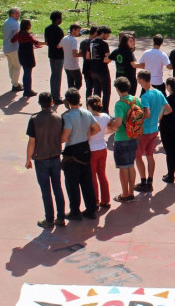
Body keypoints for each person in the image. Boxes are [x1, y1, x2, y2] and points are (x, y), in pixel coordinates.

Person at [25, 92, 65, 227]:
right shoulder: (58, 118)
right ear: (52, 102)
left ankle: (49, 219)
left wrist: (28, 159)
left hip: (40, 159)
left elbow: (32, 142)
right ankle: (61, 217)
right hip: (55, 156)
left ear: (39, 103)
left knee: (46, 191)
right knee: (57, 188)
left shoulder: (34, 119)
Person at [60, 88, 99, 220]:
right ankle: (91, 209)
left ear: (68, 101)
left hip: (73, 152)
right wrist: (87, 135)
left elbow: (65, 137)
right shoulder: (86, 113)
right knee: (87, 182)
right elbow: (97, 128)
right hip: (85, 149)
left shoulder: (67, 116)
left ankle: (75, 211)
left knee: (72, 184)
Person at [135, 70, 170, 192]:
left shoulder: (144, 96)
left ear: (142, 79)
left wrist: (136, 118)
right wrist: (159, 116)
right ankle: (150, 182)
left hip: (144, 131)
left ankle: (143, 181)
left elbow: (147, 114)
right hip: (154, 130)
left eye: (138, 79)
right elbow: (168, 109)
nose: (138, 82)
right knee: (150, 156)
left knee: (138, 156)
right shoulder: (159, 93)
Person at [108, 76, 141, 202]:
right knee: (131, 165)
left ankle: (125, 194)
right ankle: (131, 192)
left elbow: (118, 122)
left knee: (123, 167)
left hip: (122, 138)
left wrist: (110, 124)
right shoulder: (136, 99)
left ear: (117, 89)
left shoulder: (120, 104)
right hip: (134, 136)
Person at [86, 95, 111, 209]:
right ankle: (105, 200)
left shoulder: (88, 118)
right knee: (102, 174)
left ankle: (95, 201)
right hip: (102, 148)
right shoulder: (105, 116)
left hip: (91, 150)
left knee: (92, 177)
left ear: (89, 106)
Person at [159, 77, 175, 183]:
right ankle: (171, 173)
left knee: (169, 151)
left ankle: (170, 175)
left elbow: (160, 115)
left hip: (166, 126)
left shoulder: (167, 100)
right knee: (173, 150)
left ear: (169, 86)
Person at [11, 19, 43, 98]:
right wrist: (46, 43)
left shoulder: (19, 34)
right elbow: (36, 42)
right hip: (28, 55)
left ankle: (26, 89)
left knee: (26, 72)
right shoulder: (28, 35)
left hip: (21, 54)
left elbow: (12, 40)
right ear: (28, 26)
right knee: (28, 73)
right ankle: (28, 90)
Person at [88, 25, 112, 113]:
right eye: (107, 34)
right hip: (102, 70)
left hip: (93, 69)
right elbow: (107, 58)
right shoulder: (104, 44)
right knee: (106, 91)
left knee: (96, 91)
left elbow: (88, 55)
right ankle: (105, 111)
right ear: (102, 33)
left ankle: (95, 110)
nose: (108, 36)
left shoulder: (91, 42)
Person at [45, 10, 65, 105]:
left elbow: (47, 41)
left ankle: (53, 94)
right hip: (59, 55)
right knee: (58, 76)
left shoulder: (47, 29)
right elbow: (61, 43)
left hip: (51, 54)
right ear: (57, 19)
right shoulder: (59, 30)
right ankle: (56, 96)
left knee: (53, 75)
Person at [59, 22, 83, 92]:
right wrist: (82, 54)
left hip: (66, 65)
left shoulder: (65, 38)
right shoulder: (73, 41)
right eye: (78, 31)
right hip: (74, 65)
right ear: (73, 30)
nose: (79, 32)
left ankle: (69, 98)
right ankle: (72, 96)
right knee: (78, 83)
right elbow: (75, 54)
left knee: (70, 83)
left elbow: (58, 46)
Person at [3, 7, 22, 92]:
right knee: (17, 66)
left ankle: (14, 82)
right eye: (17, 13)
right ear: (12, 14)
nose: (19, 15)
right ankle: (15, 84)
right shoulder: (15, 23)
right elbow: (17, 35)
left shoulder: (6, 21)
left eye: (19, 13)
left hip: (6, 47)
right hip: (13, 48)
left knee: (11, 66)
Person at [79, 26, 98, 99]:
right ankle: (95, 104)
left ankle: (88, 104)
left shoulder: (83, 42)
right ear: (95, 33)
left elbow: (80, 53)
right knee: (96, 88)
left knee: (89, 88)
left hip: (86, 67)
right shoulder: (95, 43)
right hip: (94, 68)